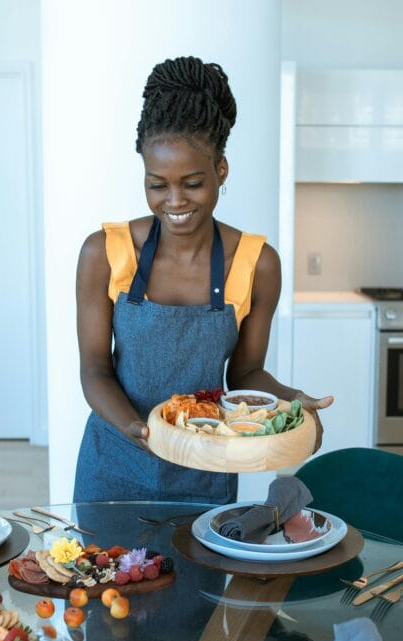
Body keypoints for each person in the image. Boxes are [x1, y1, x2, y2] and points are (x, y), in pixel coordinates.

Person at [74, 56, 333, 504]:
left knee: (199, 575)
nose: (174, 201)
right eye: (157, 185)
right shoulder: (105, 252)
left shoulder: (255, 263)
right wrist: (138, 429)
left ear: (221, 171)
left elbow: (244, 371)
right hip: (114, 460)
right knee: (107, 575)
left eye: (192, 183)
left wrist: (289, 401)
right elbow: (95, 369)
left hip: (206, 466)